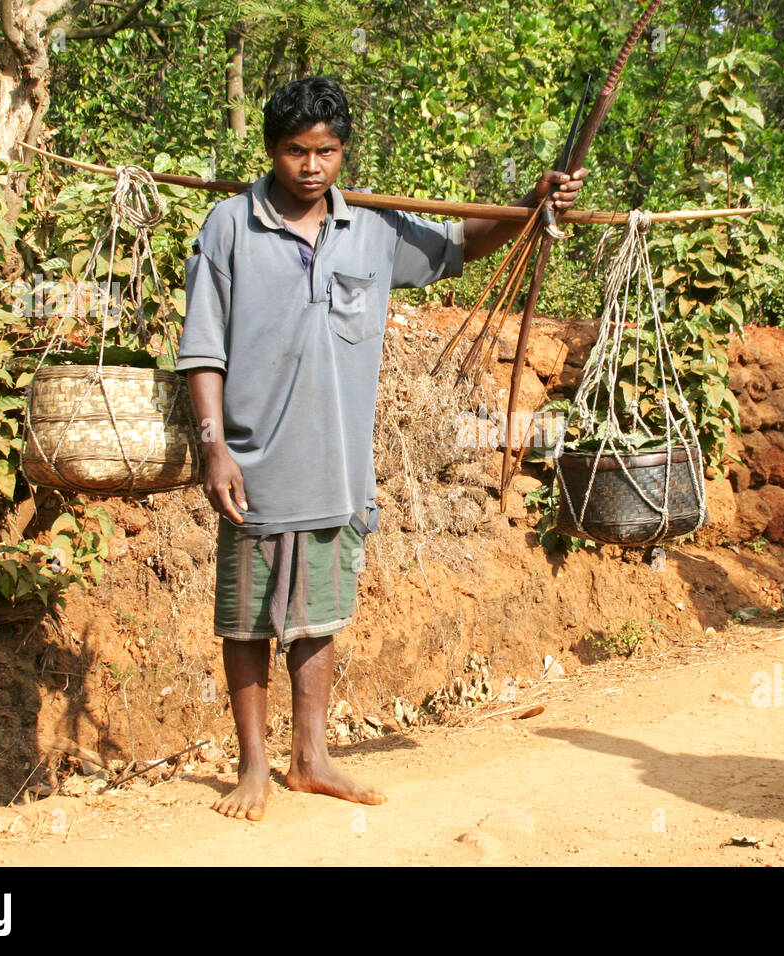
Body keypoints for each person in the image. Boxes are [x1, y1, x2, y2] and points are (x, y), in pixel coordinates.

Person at [176, 76, 587, 821]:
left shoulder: (372, 228)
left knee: (321, 616)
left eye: (326, 151)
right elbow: (202, 351)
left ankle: (312, 758)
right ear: (271, 150)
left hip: (336, 465)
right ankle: (254, 768)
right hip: (253, 461)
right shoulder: (229, 227)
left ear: (342, 152)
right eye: (296, 151)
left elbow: (468, 242)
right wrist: (214, 450)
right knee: (246, 618)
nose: (311, 166)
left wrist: (532, 206)